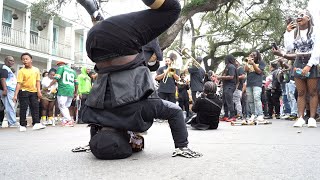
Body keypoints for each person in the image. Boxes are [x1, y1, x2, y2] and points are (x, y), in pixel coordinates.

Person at [78, 0, 201, 159]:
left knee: (173, 9)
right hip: (94, 41)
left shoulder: (143, 109)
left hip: (119, 39)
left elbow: (177, 112)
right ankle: (97, 18)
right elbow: (97, 126)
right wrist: (91, 143)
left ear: (128, 139)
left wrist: (182, 146)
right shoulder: (93, 114)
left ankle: (182, 148)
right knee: (118, 54)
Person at [273, 10, 318, 127]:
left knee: (313, 91)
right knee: (301, 92)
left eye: (302, 15)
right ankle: (301, 117)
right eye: (297, 16)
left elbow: (317, 50)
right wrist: (287, 33)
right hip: (298, 61)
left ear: (308, 18)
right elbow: (289, 47)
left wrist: (309, 65)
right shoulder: (295, 32)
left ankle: (312, 117)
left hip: (311, 61)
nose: (299, 17)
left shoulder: (315, 31)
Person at [13, 53, 46, 132]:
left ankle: (36, 123)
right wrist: (15, 95)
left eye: (26, 59)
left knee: (35, 107)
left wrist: (39, 91)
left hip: (34, 91)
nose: (25, 60)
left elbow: (38, 81)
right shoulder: (21, 71)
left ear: (31, 60)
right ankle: (22, 125)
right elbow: (19, 83)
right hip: (23, 91)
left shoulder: (36, 70)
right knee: (23, 108)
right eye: (23, 59)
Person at [47, 61, 78, 127]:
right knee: (66, 106)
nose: (58, 67)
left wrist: (49, 85)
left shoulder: (61, 68)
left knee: (61, 106)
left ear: (60, 64)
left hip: (63, 89)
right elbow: (76, 83)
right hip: (71, 90)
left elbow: (56, 78)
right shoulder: (73, 71)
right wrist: (75, 92)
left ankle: (69, 120)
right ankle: (65, 120)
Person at [244, 50, 266, 122]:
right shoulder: (248, 62)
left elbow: (259, 71)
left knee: (257, 98)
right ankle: (253, 114)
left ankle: (260, 114)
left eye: (254, 55)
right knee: (250, 100)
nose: (252, 56)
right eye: (251, 55)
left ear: (257, 56)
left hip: (257, 83)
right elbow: (245, 70)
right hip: (249, 83)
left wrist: (253, 63)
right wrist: (248, 62)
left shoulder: (261, 62)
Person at [215, 55, 238, 122]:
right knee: (224, 101)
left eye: (225, 59)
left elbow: (231, 76)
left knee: (229, 101)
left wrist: (220, 77)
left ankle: (232, 116)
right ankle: (226, 115)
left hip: (230, 86)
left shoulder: (231, 66)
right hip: (226, 85)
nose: (224, 60)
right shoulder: (228, 66)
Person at [0, 56, 18, 127]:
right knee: (10, 106)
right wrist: (5, 89)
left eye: (13, 61)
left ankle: (11, 122)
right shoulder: (5, 68)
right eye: (10, 60)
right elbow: (2, 79)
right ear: (5, 61)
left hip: (10, 90)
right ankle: (12, 122)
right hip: (7, 90)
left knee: (10, 106)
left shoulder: (7, 69)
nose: (12, 62)